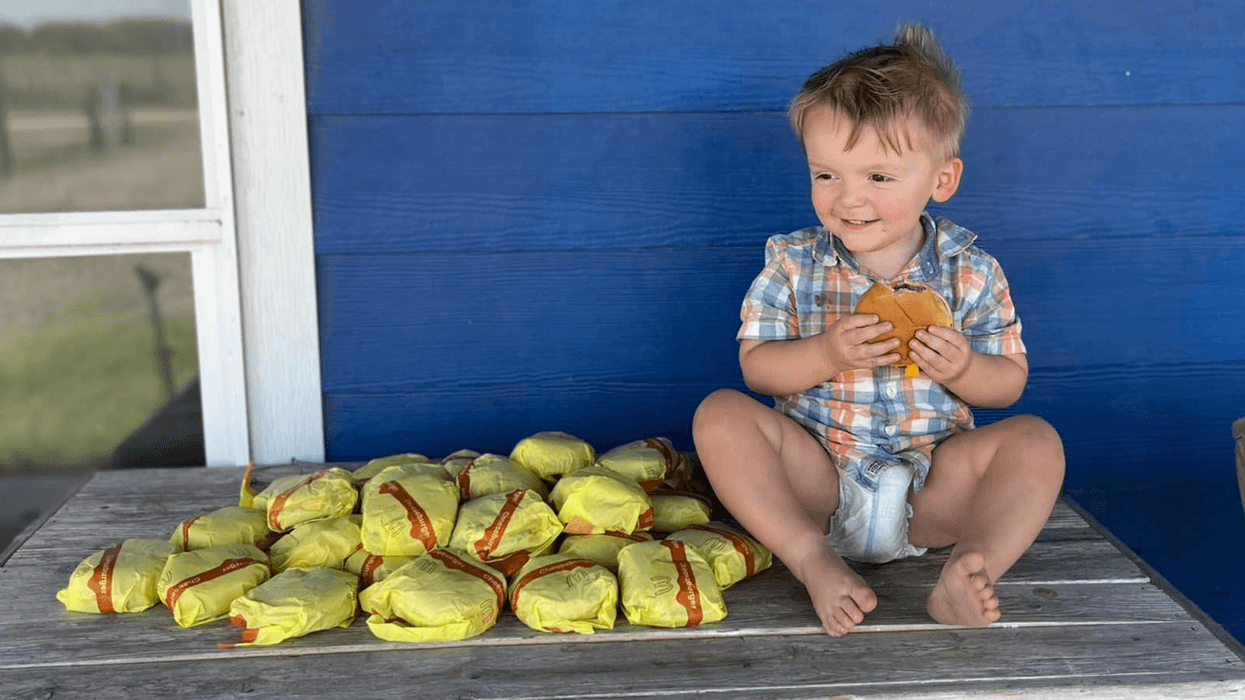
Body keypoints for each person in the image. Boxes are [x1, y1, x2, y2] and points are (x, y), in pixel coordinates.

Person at [691, 21, 1065, 637]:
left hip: (932, 489)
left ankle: (970, 570)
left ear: (941, 180)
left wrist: (967, 369)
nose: (847, 199)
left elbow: (1008, 385)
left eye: (879, 178)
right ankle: (812, 560)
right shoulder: (793, 262)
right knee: (719, 416)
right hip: (819, 480)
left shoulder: (970, 273)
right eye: (826, 174)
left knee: (1036, 443)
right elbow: (756, 368)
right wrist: (826, 351)